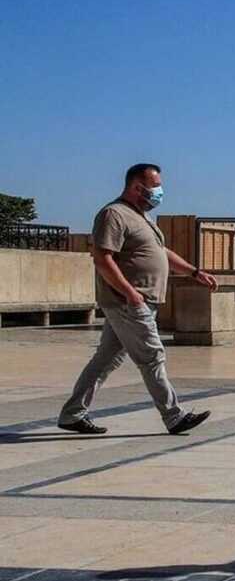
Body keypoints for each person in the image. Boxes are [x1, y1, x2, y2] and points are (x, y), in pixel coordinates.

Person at [58, 163, 218, 436]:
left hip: (136, 301)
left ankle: (72, 414)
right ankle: (174, 416)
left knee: (106, 359)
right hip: (128, 303)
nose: (159, 192)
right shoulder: (114, 214)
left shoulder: (142, 217)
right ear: (136, 187)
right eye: (155, 187)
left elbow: (160, 252)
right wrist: (130, 293)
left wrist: (194, 272)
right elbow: (102, 258)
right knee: (152, 356)